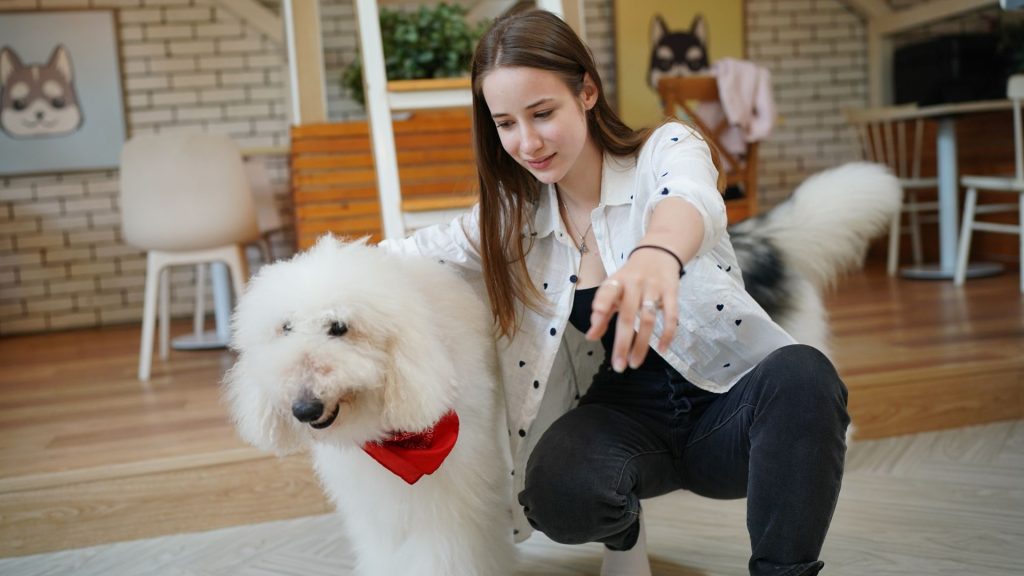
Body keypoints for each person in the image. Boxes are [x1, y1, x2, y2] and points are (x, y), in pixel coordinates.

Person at [381, 9, 849, 576]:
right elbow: (402, 254)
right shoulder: (514, 219)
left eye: (542, 112)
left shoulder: (665, 151)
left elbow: (690, 199)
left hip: (729, 405)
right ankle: (624, 532)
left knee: (804, 373)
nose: (527, 142)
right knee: (555, 490)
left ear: (587, 91)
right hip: (627, 415)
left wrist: (656, 254)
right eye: (505, 123)